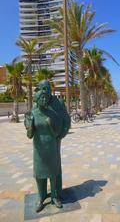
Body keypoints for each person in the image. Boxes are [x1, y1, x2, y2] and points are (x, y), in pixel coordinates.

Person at [24, 80, 70, 213]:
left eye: (48, 88)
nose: (46, 92)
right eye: (43, 89)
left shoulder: (57, 103)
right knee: (40, 172)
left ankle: (55, 195)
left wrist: (60, 135)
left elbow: (66, 121)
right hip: (39, 146)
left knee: (54, 169)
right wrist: (29, 124)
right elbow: (30, 130)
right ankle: (42, 196)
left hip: (54, 142)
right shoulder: (34, 109)